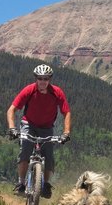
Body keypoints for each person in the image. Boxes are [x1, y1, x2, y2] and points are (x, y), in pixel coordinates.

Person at [7, 64, 71, 198]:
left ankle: (46, 184)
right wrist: (12, 128)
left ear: (50, 79)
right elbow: (12, 109)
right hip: (28, 124)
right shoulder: (29, 90)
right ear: (36, 78)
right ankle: (21, 184)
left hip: (47, 128)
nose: (43, 81)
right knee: (24, 150)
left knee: (49, 157)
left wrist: (66, 133)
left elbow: (66, 113)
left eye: (46, 78)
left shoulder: (57, 92)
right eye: (40, 78)